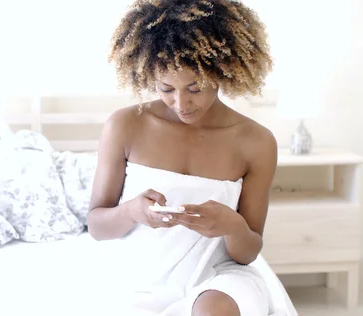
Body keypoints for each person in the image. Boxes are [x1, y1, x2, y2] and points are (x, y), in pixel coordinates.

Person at [87, 0, 287, 315]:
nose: (181, 104)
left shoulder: (256, 142)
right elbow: (97, 226)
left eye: (195, 89)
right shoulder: (124, 125)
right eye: (166, 89)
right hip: (141, 277)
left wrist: (232, 226)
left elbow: (248, 252)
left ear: (223, 72)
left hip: (219, 277)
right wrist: (132, 212)